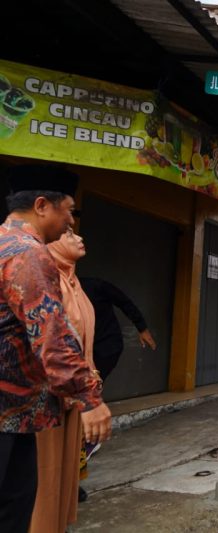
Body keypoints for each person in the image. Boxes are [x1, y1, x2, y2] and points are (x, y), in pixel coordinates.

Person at [0, 165, 110, 533]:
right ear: (43, 205)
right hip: (8, 417)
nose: (71, 222)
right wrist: (90, 400)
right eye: (69, 210)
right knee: (14, 512)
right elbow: (51, 335)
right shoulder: (29, 255)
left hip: (16, 415)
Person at [30, 229, 97, 531]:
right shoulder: (44, 278)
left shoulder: (73, 281)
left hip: (72, 396)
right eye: (69, 233)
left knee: (63, 475)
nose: (78, 236)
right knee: (43, 475)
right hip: (44, 398)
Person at [80, 277, 156, 381]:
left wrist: (142, 328)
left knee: (90, 383)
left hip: (106, 345)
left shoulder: (96, 286)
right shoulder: (57, 294)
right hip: (78, 348)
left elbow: (124, 302)